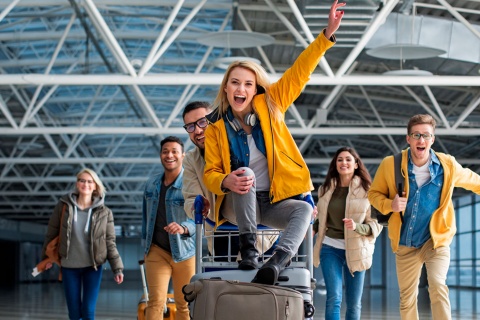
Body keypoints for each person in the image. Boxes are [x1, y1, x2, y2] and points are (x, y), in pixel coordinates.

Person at [203, 0, 346, 285]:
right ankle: (248, 250)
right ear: (226, 88)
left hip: (271, 203)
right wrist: (225, 182)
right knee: (244, 174)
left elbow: (299, 72)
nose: (240, 88)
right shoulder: (215, 127)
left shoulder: (272, 104)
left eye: (247, 83)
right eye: (234, 82)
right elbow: (210, 173)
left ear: (255, 89)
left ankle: (278, 260)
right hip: (238, 203)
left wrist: (326, 36)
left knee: (304, 210)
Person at [368, 114, 480, 320]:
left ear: (433, 139)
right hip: (405, 243)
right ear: (408, 138)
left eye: (426, 136)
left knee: (438, 285)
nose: (421, 140)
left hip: (436, 240)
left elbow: (473, 181)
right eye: (416, 135)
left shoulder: (447, 165)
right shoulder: (390, 165)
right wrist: (389, 205)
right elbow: (373, 194)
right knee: (407, 297)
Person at [181, 101, 277, 261]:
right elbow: (190, 197)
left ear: (216, 119)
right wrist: (197, 207)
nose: (197, 130)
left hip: (261, 235)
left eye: (202, 122)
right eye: (190, 127)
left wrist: (299, 196)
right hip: (222, 234)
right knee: (226, 284)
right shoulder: (192, 159)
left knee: (263, 284)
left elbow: (282, 169)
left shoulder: (244, 141)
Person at [41, 168, 124, 320]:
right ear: (77, 184)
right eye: (82, 180)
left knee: (87, 310)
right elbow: (52, 233)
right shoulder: (63, 207)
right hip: (69, 266)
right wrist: (45, 258)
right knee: (74, 312)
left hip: (92, 266)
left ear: (95, 186)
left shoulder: (105, 213)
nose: (85, 184)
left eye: (89, 181)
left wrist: (117, 268)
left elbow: (110, 242)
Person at [313, 147, 383, 320]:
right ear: (335, 164)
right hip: (330, 247)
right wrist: (313, 228)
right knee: (334, 297)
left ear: (356, 164)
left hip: (357, 250)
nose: (343, 163)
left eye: (348, 159)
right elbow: (322, 217)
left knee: (353, 303)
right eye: (340, 160)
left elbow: (377, 223)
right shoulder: (326, 189)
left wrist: (357, 227)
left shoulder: (369, 191)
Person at [141, 136, 195, 320]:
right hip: (157, 251)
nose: (169, 155)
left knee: (184, 305)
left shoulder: (190, 183)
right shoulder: (151, 184)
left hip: (185, 252)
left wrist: (183, 227)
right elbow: (145, 218)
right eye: (165, 151)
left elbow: (199, 217)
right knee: (155, 302)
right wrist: (146, 247)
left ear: (183, 156)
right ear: (160, 155)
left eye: (174, 151)